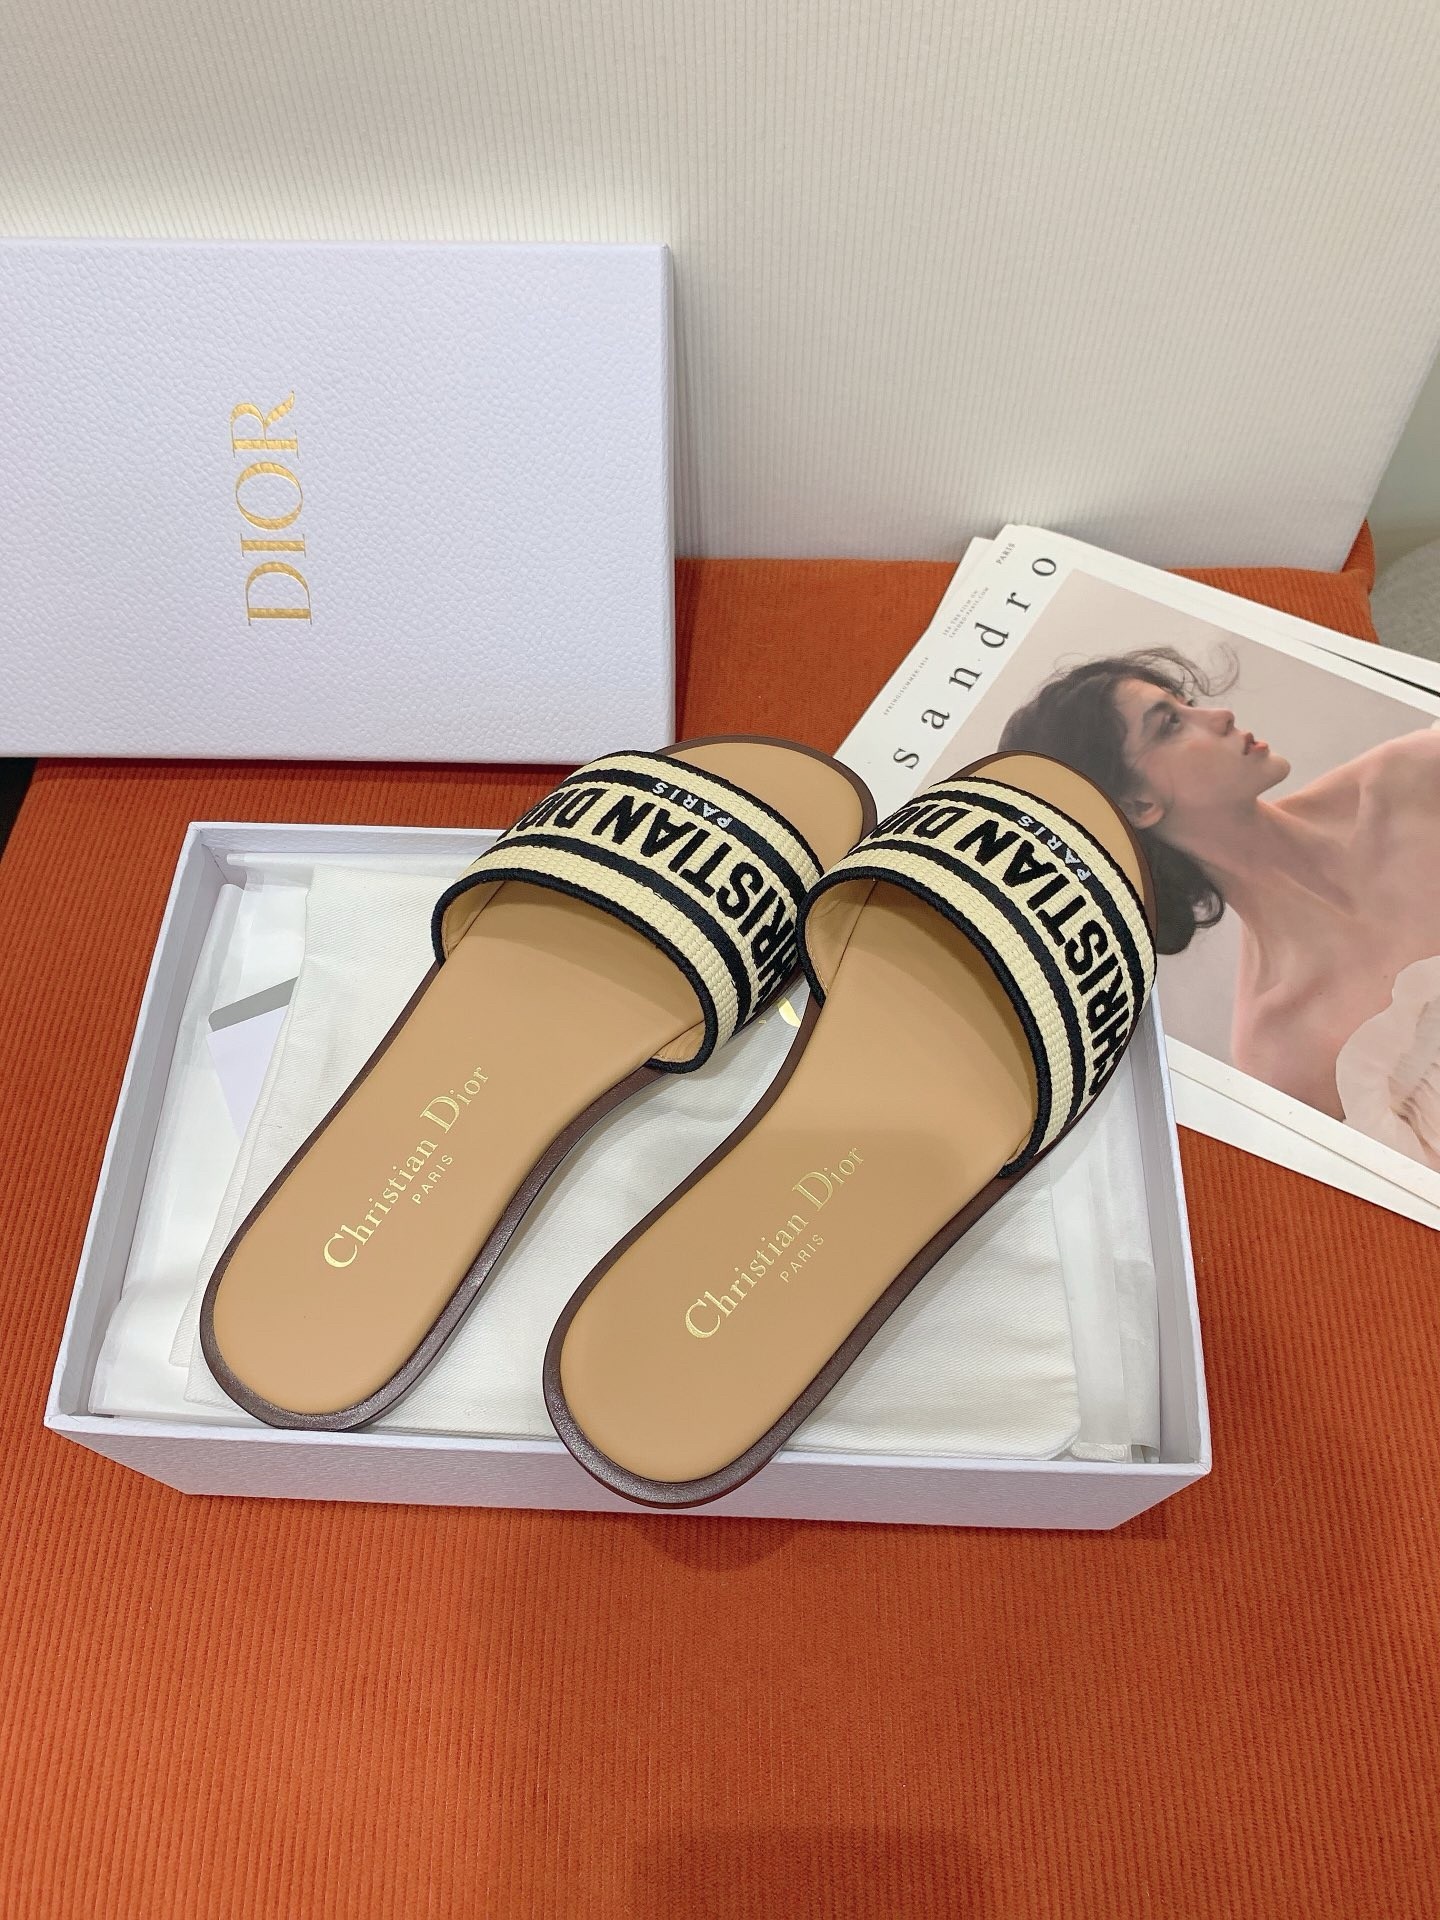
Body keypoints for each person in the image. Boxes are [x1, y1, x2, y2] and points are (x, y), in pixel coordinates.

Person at [996, 648, 1440, 1159]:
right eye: (1170, 724)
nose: (1221, 714)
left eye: (1187, 704)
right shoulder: (1280, 1044)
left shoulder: (1406, 779)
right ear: (1139, 804)